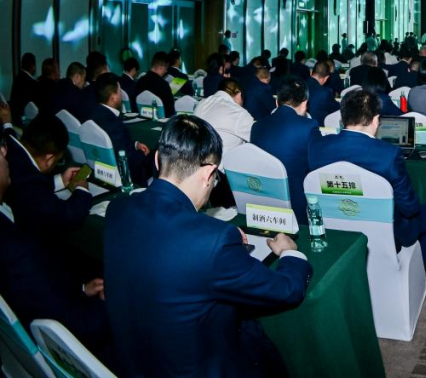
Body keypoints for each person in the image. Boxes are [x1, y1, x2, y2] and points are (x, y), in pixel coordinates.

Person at [106, 114, 311, 377]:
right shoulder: (212, 241)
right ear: (208, 173)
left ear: (157, 160)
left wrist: (216, 237)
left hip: (133, 363)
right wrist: (290, 253)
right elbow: (286, 290)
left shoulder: (118, 208)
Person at [0, 126, 113, 359]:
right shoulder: (14, 250)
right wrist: (107, 306)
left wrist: (80, 290)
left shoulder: (7, 217)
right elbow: (81, 329)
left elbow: (41, 290)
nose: (4, 151)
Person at [307, 89, 426, 266]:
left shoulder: (316, 148)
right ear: (376, 120)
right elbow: (409, 208)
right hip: (387, 233)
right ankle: (418, 265)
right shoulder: (388, 154)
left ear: (343, 117)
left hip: (336, 230)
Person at [3, 112, 91, 238]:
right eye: (58, 160)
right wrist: (82, 189)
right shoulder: (30, 183)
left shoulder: (11, 147)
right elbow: (67, 217)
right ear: (49, 159)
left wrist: (60, 180)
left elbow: (27, 182)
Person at [250, 77, 318, 224]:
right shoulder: (308, 126)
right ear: (304, 103)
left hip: (261, 205)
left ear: (277, 102)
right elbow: (316, 165)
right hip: (297, 209)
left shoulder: (256, 127)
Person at [89, 73, 154, 186]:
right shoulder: (114, 123)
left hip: (101, 174)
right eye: (119, 91)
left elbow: (115, 143)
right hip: (127, 177)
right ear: (113, 98)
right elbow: (130, 162)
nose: (121, 95)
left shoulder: (94, 114)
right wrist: (145, 155)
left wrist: (135, 145)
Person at [194, 79, 254, 157]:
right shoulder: (238, 112)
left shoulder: (201, 103)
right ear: (239, 94)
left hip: (195, 158)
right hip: (221, 163)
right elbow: (259, 137)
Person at [134, 52, 177, 117]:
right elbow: (171, 112)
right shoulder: (164, 85)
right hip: (161, 121)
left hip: (143, 120)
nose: (166, 71)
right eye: (166, 68)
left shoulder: (139, 82)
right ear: (163, 66)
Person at [305, 62, 338, 126]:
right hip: (318, 128)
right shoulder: (325, 92)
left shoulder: (300, 85)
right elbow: (336, 109)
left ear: (311, 72)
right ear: (326, 78)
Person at [9, 52, 37, 126]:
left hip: (15, 118)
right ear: (33, 66)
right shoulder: (32, 83)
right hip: (26, 121)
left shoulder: (18, 77)